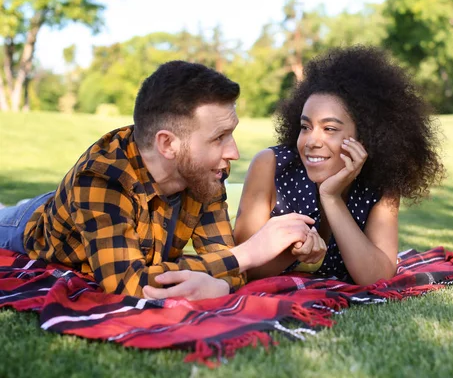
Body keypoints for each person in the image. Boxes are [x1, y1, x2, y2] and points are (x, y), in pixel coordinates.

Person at [0, 61, 313, 300]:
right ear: (167, 145)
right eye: (219, 137)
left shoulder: (206, 172)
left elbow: (224, 265)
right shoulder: (100, 179)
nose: (233, 152)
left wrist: (217, 284)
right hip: (28, 227)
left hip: (90, 215)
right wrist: (247, 254)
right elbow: (127, 283)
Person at [233, 46, 445, 285]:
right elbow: (241, 267)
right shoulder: (271, 165)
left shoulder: (382, 181)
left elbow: (376, 278)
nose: (312, 141)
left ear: (364, 138)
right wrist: (295, 255)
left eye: (330, 129)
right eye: (306, 127)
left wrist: (331, 197)